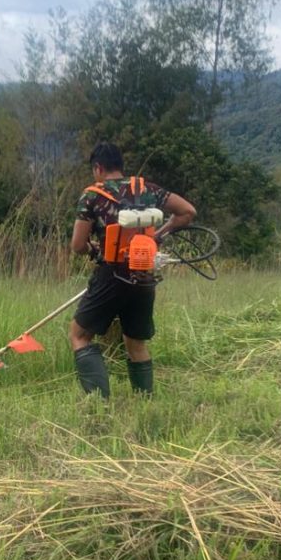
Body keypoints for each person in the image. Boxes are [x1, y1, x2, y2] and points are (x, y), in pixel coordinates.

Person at [68, 142, 196, 398]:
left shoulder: (92, 195)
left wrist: (94, 249)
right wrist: (155, 238)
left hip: (111, 275)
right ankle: (144, 402)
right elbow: (187, 211)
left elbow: (78, 245)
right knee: (135, 343)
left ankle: (98, 405)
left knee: (80, 335)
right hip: (145, 274)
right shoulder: (146, 188)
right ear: (121, 166)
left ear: (98, 168)